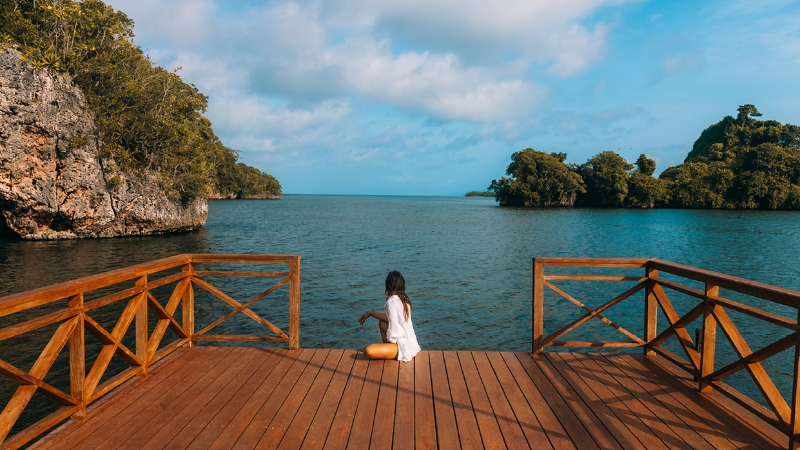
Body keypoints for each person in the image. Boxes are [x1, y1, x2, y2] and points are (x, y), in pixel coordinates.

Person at [358, 270, 420, 361]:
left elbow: (394, 331)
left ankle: (390, 352)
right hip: (412, 345)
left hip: (403, 347)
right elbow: (388, 319)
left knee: (368, 351)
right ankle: (389, 350)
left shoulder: (392, 302)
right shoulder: (405, 300)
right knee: (382, 323)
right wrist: (370, 313)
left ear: (389, 285)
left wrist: (389, 346)